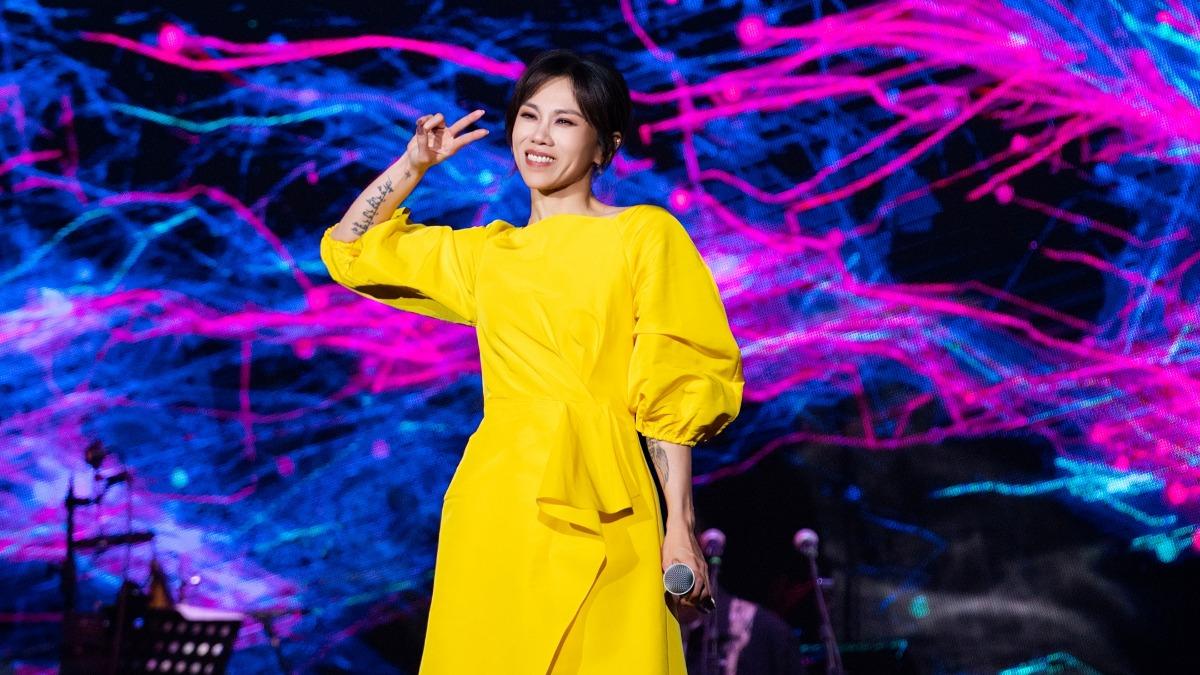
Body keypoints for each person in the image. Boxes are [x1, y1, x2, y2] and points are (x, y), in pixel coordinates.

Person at [319, 48, 744, 674]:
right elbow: (349, 250)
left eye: (566, 121)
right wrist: (412, 167)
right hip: (500, 500)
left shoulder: (643, 235)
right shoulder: (489, 255)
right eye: (529, 116)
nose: (540, 136)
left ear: (604, 146)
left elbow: (672, 385)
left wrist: (678, 526)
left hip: (609, 498)